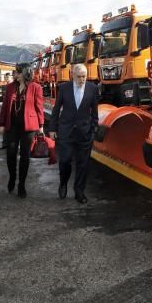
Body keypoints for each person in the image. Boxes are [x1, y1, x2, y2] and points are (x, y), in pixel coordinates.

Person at [49, 63, 99, 204]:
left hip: (84, 133)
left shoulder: (92, 89)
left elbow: (95, 112)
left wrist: (93, 129)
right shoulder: (64, 88)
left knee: (83, 164)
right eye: (79, 77)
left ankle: (79, 191)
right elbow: (56, 109)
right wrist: (52, 129)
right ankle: (63, 182)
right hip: (66, 132)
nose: (82, 79)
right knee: (65, 161)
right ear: (72, 75)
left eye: (84, 76)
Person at [0, 63, 44, 198]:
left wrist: (41, 125)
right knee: (10, 154)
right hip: (12, 126)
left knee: (25, 156)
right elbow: (5, 107)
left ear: (24, 73)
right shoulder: (10, 87)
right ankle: (12, 177)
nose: (14, 74)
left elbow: (39, 107)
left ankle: (21, 184)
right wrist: (1, 123)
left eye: (17, 72)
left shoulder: (36, 87)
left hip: (28, 126)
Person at [0, 72, 13, 150]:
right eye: (6, 78)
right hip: (5, 108)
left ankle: (10, 143)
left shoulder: (14, 86)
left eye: (8, 77)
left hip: (11, 109)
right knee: (4, 126)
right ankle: (4, 144)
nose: (6, 79)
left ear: (11, 78)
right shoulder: (4, 87)